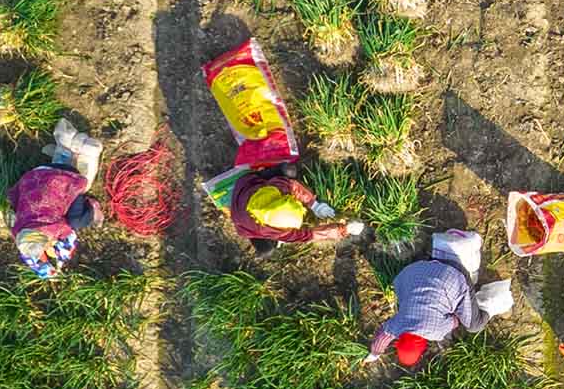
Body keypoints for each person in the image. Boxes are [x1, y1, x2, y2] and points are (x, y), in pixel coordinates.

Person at [369, 227, 516, 367]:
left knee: (473, 325)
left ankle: (492, 300)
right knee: (403, 302)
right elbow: (381, 338)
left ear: (422, 347)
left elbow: (455, 320)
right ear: (399, 340)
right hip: (417, 269)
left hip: (453, 275)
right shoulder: (396, 325)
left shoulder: (435, 332)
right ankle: (439, 255)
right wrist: (374, 354)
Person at [9, 118, 104, 279]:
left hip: (65, 179)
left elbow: (69, 240)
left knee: (76, 221)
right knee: (53, 190)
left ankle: (92, 205)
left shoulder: (53, 228)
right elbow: (30, 256)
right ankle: (65, 151)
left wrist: (58, 261)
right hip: (38, 174)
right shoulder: (18, 228)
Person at [207, 157, 357, 246]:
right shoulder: (276, 232)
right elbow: (307, 235)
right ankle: (262, 246)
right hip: (242, 213)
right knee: (266, 249)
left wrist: (314, 204)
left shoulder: (273, 190)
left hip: (246, 190)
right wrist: (341, 231)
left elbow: (292, 186)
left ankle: (262, 246)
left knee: (288, 171)